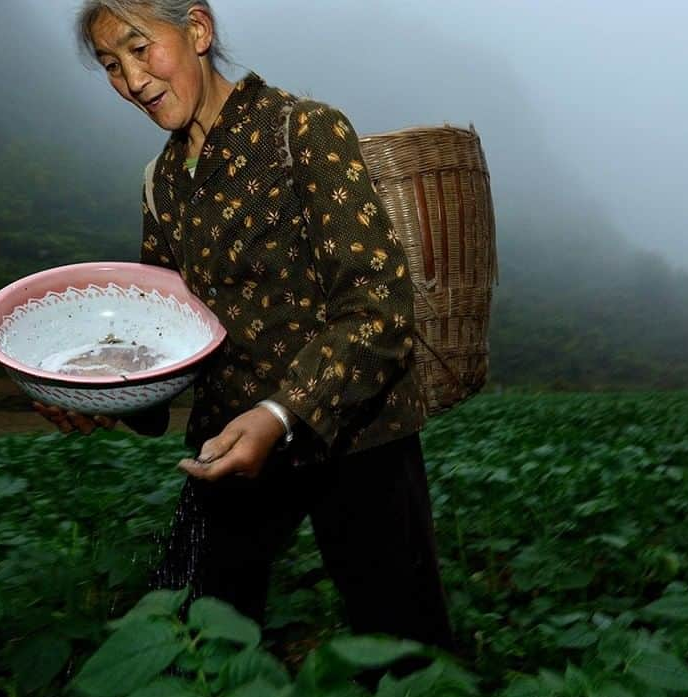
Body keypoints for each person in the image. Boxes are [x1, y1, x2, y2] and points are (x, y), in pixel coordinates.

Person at [36, 0, 453, 652]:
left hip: (359, 433)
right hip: (233, 438)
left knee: (405, 644)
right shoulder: (163, 181)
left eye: (140, 49)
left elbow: (378, 306)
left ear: (197, 29)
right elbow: (168, 340)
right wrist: (100, 394)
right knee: (195, 633)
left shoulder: (304, 133)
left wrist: (283, 412)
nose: (131, 79)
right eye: (111, 65)